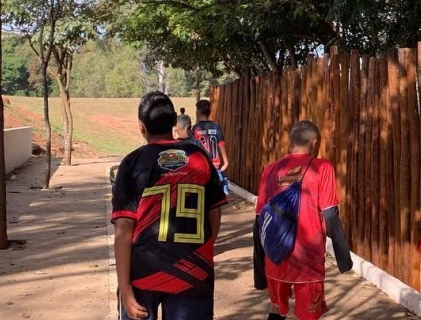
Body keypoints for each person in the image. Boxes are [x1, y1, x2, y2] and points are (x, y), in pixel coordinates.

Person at [111, 91, 227, 320]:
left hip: (144, 273)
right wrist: (200, 250)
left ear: (141, 127)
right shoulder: (200, 157)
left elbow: (123, 230)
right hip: (194, 272)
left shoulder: (132, 163)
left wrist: (124, 287)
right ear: (175, 121)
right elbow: (215, 215)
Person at [253, 120, 353, 320]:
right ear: (314, 143)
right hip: (308, 258)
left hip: (275, 255)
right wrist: (344, 258)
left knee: (276, 309)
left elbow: (259, 219)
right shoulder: (322, 167)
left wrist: (259, 267)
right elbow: (330, 215)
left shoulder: (270, 170)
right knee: (308, 315)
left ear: (291, 143)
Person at [191, 98, 230, 195]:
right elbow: (221, 143)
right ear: (209, 112)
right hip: (215, 165)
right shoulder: (216, 126)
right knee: (215, 193)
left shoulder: (195, 128)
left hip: (201, 165)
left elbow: (193, 147)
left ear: (197, 112)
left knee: (202, 192)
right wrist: (226, 161)